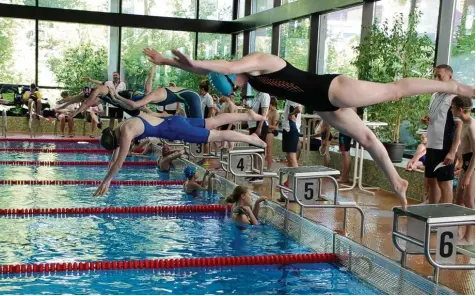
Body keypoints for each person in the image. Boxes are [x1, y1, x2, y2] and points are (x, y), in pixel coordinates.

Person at [144, 49, 475, 210]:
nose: (236, 87)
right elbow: (220, 69)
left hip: (333, 89)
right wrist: (170, 62)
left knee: (396, 89)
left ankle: (456, 87)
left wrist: (189, 64)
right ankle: (397, 180)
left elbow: (227, 66)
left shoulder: (260, 60)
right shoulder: (245, 78)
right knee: (368, 138)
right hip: (322, 105)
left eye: (232, 84)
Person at [93, 110, 267, 195]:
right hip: (174, 120)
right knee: (213, 121)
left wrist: (105, 182)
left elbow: (118, 163)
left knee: (217, 134)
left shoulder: (126, 134)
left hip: (175, 130)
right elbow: (115, 155)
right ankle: (248, 116)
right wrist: (106, 177)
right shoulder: (122, 126)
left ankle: (251, 138)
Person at [425, 65, 464, 205]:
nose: (436, 79)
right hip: (431, 145)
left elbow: (460, 127)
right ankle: (431, 213)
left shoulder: (456, 99)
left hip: (445, 147)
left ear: (450, 77)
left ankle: (444, 219)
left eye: (439, 77)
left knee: (445, 184)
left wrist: (452, 152)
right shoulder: (435, 95)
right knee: (432, 181)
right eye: (435, 76)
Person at [451, 96, 474, 245]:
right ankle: (458, 232)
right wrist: (459, 163)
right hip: (465, 163)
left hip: (472, 165)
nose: (451, 109)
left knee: (470, 202)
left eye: (452, 107)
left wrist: (468, 175)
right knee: (459, 199)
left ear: (460, 109)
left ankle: (469, 238)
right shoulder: (464, 124)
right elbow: (463, 147)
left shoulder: (472, 125)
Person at [246, 91, 270, 184]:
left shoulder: (264, 94)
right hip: (253, 125)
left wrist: (259, 127)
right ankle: (254, 172)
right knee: (253, 150)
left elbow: (264, 113)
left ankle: (259, 174)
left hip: (260, 126)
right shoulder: (257, 95)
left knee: (259, 151)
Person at [281, 99, 302, 189]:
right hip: (288, 129)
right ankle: (290, 181)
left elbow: (299, 109)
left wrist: (291, 114)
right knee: (289, 158)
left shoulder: (293, 97)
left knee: (292, 158)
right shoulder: (289, 98)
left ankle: (296, 184)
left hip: (291, 128)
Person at [337, 107, 357, 183]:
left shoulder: (348, 100)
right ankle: (344, 176)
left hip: (345, 127)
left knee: (345, 153)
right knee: (345, 152)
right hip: (347, 126)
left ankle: (344, 177)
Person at [265, 97, 280, 170]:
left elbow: (275, 126)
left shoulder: (276, 113)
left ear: (271, 104)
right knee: (265, 149)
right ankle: (266, 165)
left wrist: (266, 125)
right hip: (266, 130)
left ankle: (269, 167)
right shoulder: (269, 111)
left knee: (269, 148)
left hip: (271, 131)